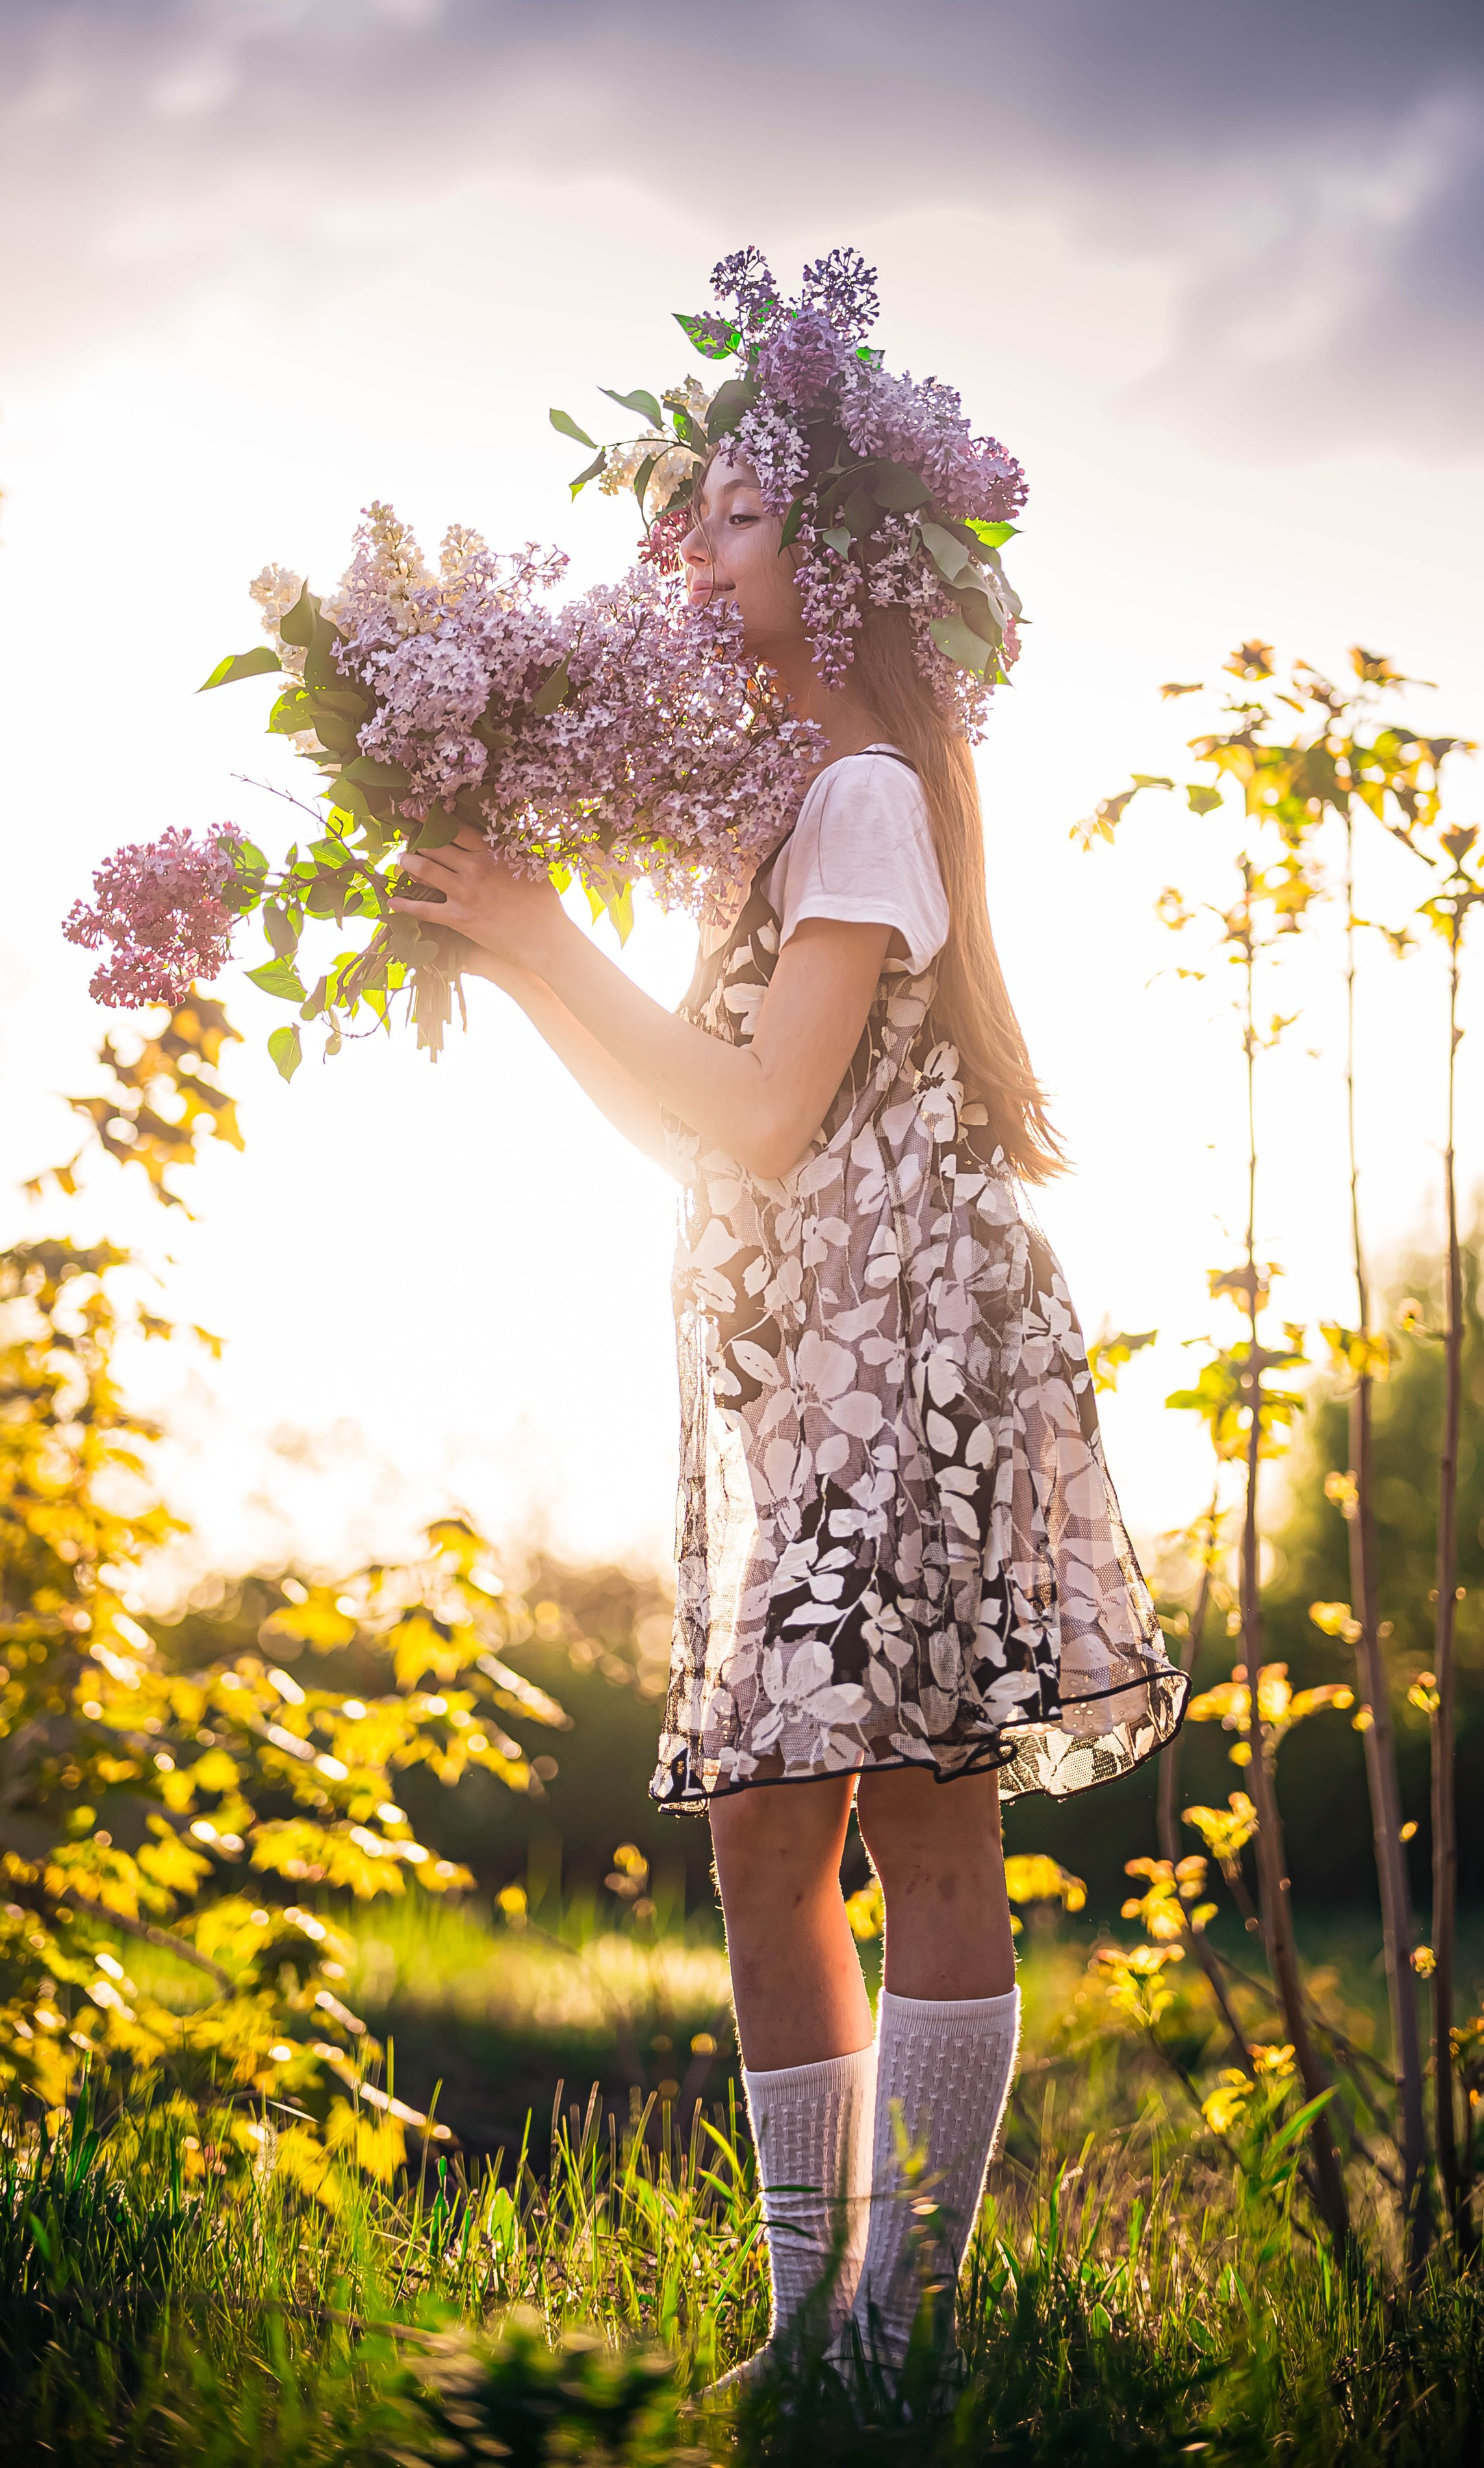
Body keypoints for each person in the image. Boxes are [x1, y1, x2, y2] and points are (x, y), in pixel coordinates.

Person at [394, 249, 1186, 2389]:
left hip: (905, 1363)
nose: (682, 547)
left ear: (834, 560)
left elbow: (753, 1105)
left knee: (911, 1817)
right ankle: (815, 2324)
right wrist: (519, 955)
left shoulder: (861, 797)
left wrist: (552, 943)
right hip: (799, 1365)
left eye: (728, 515)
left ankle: (893, 2327)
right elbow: (708, 1139)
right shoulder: (783, 818)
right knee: (767, 1843)